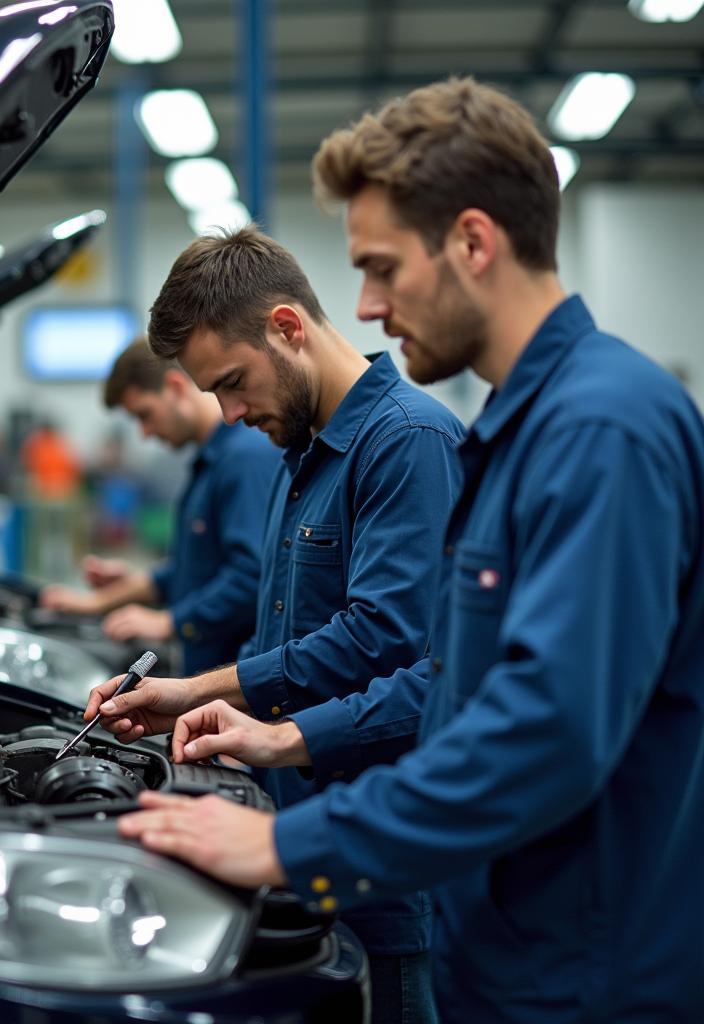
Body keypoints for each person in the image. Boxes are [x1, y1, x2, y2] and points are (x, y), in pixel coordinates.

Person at [112, 78, 704, 1023]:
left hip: (582, 973)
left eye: (384, 268)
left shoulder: (602, 430)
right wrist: (282, 734)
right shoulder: (518, 434)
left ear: (472, 242)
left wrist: (286, 847)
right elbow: (449, 683)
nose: (371, 306)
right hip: (503, 943)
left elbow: (542, 733)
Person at [83, 228, 465, 1021]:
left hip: (382, 867)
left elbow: (385, 642)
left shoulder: (407, 442)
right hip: (300, 838)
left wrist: (196, 689)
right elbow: (284, 640)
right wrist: (191, 704)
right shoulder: (301, 456)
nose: (226, 413)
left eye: (231, 382)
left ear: (287, 328)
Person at [41, 338, 280, 674]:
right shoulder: (209, 462)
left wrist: (170, 621)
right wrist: (105, 597)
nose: (145, 433)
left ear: (174, 387)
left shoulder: (244, 457)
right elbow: (198, 569)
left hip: (237, 684)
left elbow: (252, 575)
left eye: (145, 415)